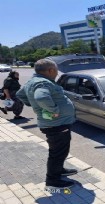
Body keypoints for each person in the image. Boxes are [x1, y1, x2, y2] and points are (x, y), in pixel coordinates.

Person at [16, 59, 78, 188]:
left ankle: (59, 170)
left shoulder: (32, 82)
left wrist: (31, 104)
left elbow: (19, 94)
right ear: (51, 70)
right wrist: (54, 110)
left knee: (59, 151)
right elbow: (41, 97)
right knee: (57, 153)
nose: (56, 74)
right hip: (57, 124)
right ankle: (53, 181)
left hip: (56, 124)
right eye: (56, 71)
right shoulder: (43, 83)